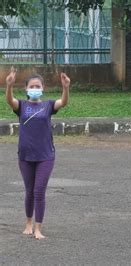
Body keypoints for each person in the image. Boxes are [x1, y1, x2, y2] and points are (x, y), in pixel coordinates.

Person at [5, 67, 70, 240]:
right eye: (32, 86)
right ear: (26, 89)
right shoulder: (22, 106)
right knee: (29, 191)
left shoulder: (48, 106)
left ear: (43, 88)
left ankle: (38, 228)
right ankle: (28, 223)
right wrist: (9, 85)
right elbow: (10, 101)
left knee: (39, 191)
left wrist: (66, 88)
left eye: (37, 86)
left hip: (45, 156)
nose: (35, 89)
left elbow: (62, 103)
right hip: (25, 156)